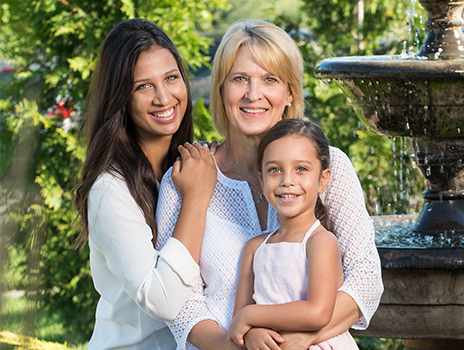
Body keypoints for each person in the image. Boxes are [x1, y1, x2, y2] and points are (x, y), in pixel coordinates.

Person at [156, 19, 383, 350]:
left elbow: (365, 280)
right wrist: (242, 343)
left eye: (270, 80)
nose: (253, 94)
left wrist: (297, 342)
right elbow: (180, 308)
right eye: (240, 79)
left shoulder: (328, 167)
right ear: (221, 89)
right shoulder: (186, 177)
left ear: (289, 91)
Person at [74, 18, 217, 350]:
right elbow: (162, 300)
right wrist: (195, 198)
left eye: (171, 78)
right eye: (143, 86)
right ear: (121, 98)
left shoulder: (189, 166)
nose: (163, 97)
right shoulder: (110, 189)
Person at [227, 119, 359, 350]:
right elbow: (240, 320)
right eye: (275, 170)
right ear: (261, 179)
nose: (288, 181)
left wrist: (251, 316)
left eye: (302, 169)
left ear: (323, 179)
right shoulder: (255, 247)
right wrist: (252, 334)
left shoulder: (321, 242)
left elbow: (318, 312)